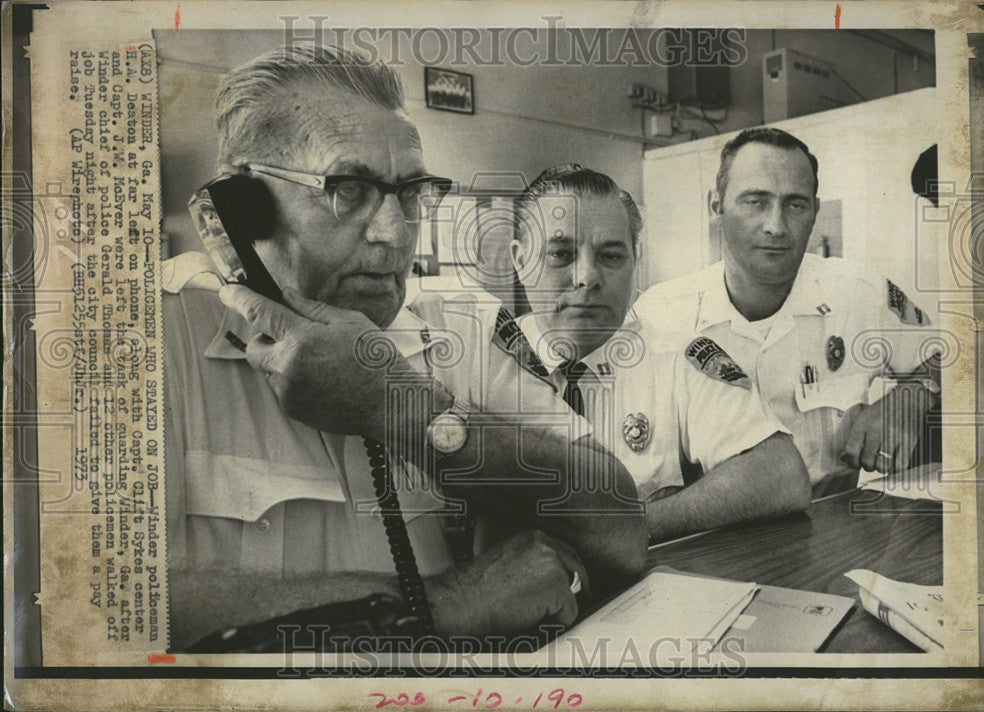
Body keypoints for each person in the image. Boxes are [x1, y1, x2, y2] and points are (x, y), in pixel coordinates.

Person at [163, 45, 646, 651]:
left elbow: (623, 526)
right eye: (348, 189)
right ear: (242, 207)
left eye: (411, 193)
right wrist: (447, 603)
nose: (395, 236)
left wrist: (402, 410)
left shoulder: (456, 328)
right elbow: (108, 613)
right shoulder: (148, 337)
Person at [506, 164, 811, 543]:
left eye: (611, 256)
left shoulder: (678, 356)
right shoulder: (487, 360)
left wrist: (630, 525)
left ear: (635, 258)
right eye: (561, 254)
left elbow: (782, 473)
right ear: (520, 261)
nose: (586, 276)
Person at [634, 127, 941, 485]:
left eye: (795, 204)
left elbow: (952, 356)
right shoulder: (659, 315)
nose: (776, 226)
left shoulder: (859, 291)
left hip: (833, 526)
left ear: (814, 213)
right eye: (755, 201)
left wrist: (913, 394)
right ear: (716, 207)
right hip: (710, 533)